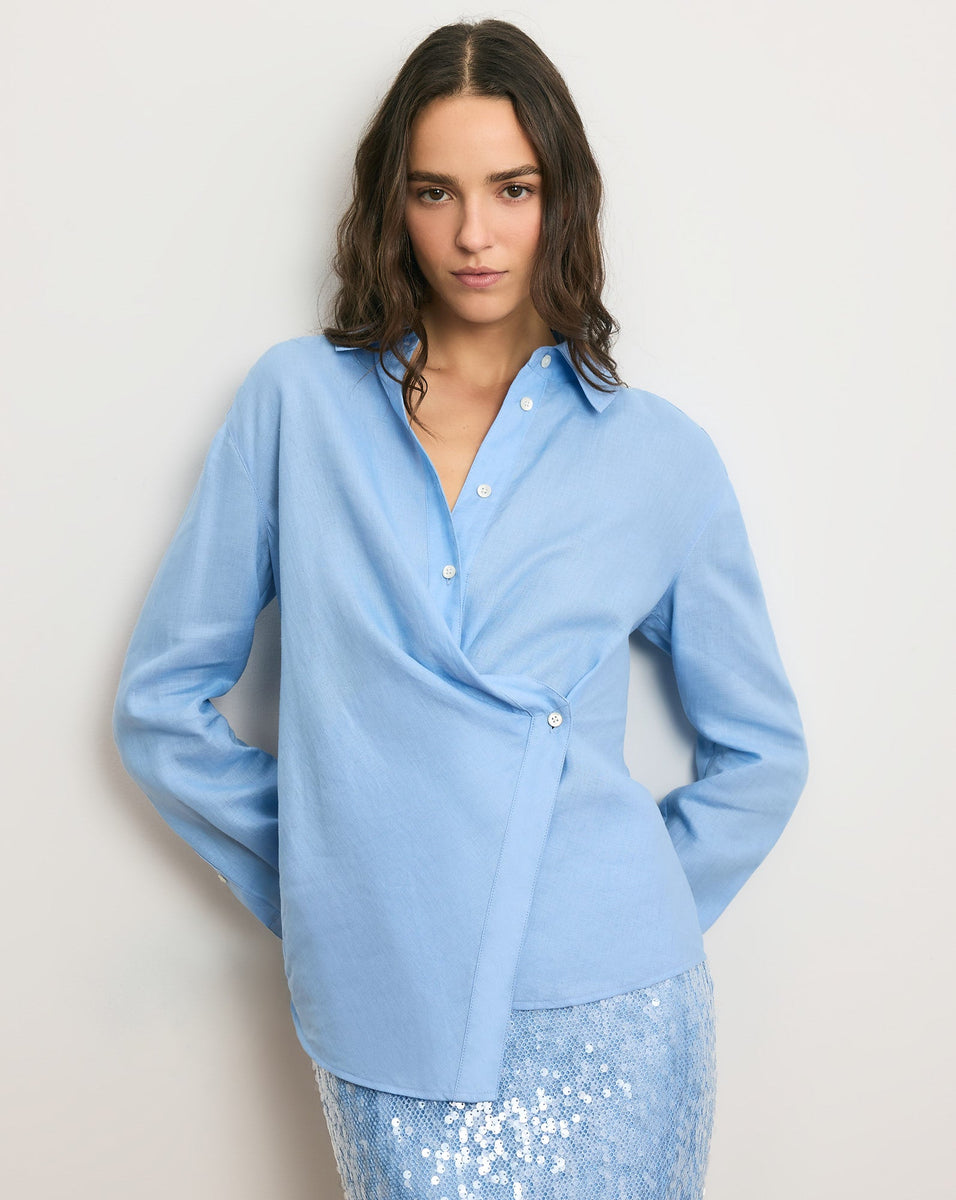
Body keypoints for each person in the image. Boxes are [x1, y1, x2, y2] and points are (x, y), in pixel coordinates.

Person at [112, 17, 810, 1199]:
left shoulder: (658, 455)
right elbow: (159, 709)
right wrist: (343, 891)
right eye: (434, 191)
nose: (473, 235)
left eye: (511, 190)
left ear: (562, 200)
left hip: (617, 1013)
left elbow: (762, 754)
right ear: (392, 202)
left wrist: (620, 918)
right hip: (386, 1000)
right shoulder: (296, 405)